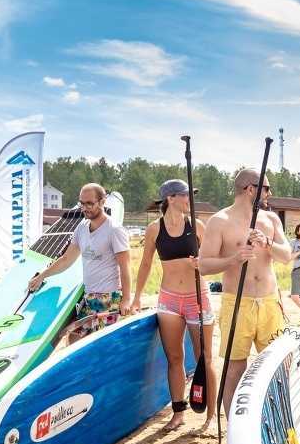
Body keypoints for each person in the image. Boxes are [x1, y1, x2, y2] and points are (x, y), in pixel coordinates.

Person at [201, 167, 292, 412]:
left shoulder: (271, 219)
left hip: (270, 303)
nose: (270, 193)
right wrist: (233, 259)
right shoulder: (220, 221)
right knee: (235, 368)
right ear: (250, 189)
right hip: (237, 302)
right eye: (266, 188)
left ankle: (277, 420)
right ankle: (235, 434)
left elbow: (287, 256)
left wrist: (267, 242)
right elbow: (203, 265)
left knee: (278, 365)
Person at [130, 179, 216, 431]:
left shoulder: (197, 225)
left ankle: (211, 416)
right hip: (168, 300)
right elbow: (145, 264)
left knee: (204, 358)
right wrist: (137, 297)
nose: (189, 200)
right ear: (170, 198)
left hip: (197, 298)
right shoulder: (154, 229)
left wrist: (202, 263)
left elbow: (213, 257)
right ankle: (178, 412)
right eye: (185, 196)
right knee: (174, 357)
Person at [28, 183, 132, 344]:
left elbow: (125, 267)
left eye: (89, 203)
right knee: (74, 339)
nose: (84, 208)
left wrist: (126, 299)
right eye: (81, 203)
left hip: (109, 298)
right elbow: (66, 259)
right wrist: (42, 276)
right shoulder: (81, 228)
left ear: (103, 202)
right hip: (89, 296)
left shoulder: (114, 230)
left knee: (101, 346)